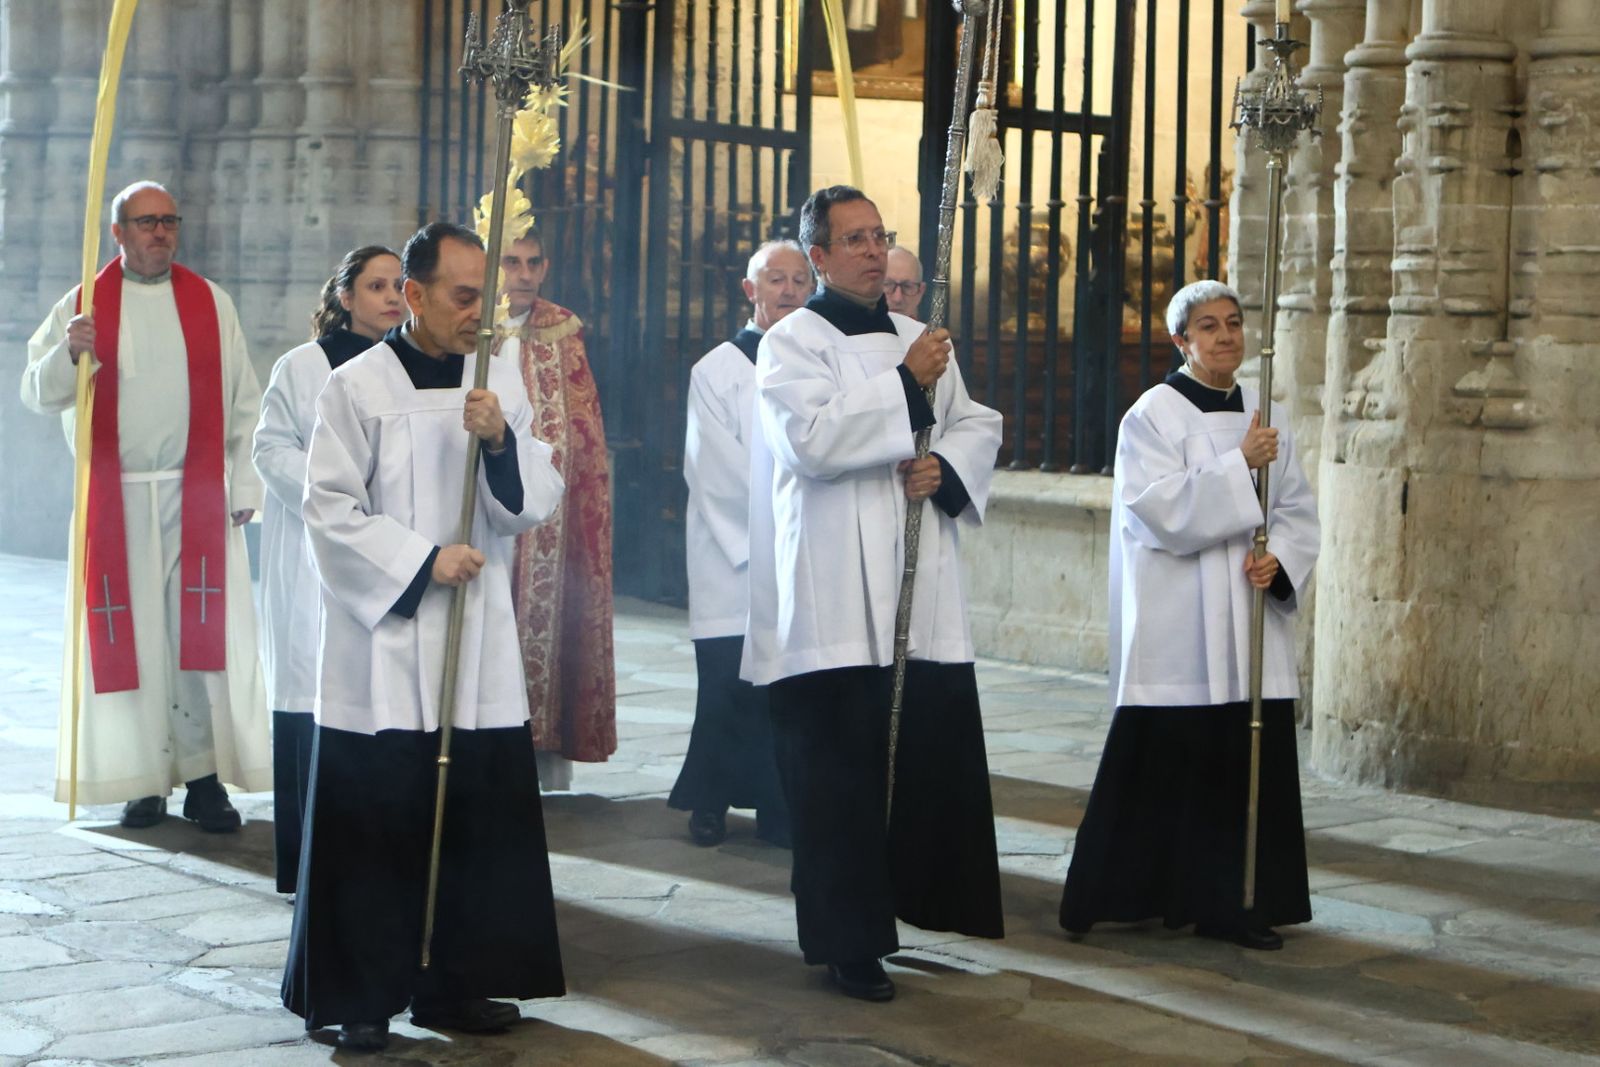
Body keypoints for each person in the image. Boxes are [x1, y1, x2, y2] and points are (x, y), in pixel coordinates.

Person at [281, 222, 567, 1051]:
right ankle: (364, 993)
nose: (482, 312)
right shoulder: (358, 385)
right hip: (386, 646)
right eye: (463, 295)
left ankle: (458, 983)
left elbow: (533, 498)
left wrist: (502, 440)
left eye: (486, 295)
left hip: (474, 641)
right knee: (376, 819)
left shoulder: (498, 377)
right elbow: (327, 511)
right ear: (413, 295)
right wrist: (420, 562)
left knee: (473, 814)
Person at [742, 186, 1005, 1002]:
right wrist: (905, 384)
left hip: (915, 592)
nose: (869, 250)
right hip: (830, 601)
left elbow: (974, 422)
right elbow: (813, 442)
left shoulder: (917, 338)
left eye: (878, 236)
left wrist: (945, 467)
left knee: (912, 764)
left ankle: (907, 904)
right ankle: (847, 941)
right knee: (838, 782)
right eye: (851, 239)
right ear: (816, 256)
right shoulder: (793, 342)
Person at [1058, 280, 1319, 951]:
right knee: (1167, 764)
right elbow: (1158, 510)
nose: (1226, 336)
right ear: (1181, 340)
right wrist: (1239, 467)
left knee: (1247, 761)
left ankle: (1241, 901)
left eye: (1233, 323)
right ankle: (1122, 891)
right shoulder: (1152, 415)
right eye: (1208, 326)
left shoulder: (1266, 411)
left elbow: (1295, 508)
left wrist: (1280, 561)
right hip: (1182, 624)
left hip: (1251, 615)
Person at [20, 180, 270, 831]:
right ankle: (144, 780)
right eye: (146, 222)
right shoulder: (84, 304)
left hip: (196, 500)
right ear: (118, 233)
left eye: (168, 221)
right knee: (133, 644)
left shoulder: (209, 302)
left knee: (196, 646)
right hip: (119, 504)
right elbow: (34, 391)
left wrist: (243, 484)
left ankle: (205, 780)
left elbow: (245, 400)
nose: (160, 232)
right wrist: (69, 350)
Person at [252, 245, 402, 893]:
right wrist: (331, 497)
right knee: (311, 691)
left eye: (400, 284)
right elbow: (270, 447)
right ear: (344, 297)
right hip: (314, 553)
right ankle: (309, 864)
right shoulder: (303, 366)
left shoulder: (406, 366)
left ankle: (372, 857)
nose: (392, 296)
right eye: (376, 286)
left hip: (383, 550)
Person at [668, 239, 812, 848]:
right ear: (749, 290)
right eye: (774, 279)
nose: (787, 290)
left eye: (799, 280)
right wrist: (774, 536)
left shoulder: (817, 363)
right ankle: (711, 800)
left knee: (787, 691)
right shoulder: (719, 368)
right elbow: (713, 469)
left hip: (803, 552)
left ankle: (782, 805)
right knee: (727, 686)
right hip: (737, 555)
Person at [497, 230, 616, 789]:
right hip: (485, 512)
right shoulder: (473, 327)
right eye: (510, 262)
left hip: (546, 516)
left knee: (545, 624)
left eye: (531, 263)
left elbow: (583, 432)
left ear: (544, 267)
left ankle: (542, 760)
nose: (522, 274)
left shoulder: (562, 329)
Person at [884, 245, 926, 321]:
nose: (897, 298)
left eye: (907, 287)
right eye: (888, 285)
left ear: (920, 292)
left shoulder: (926, 332)